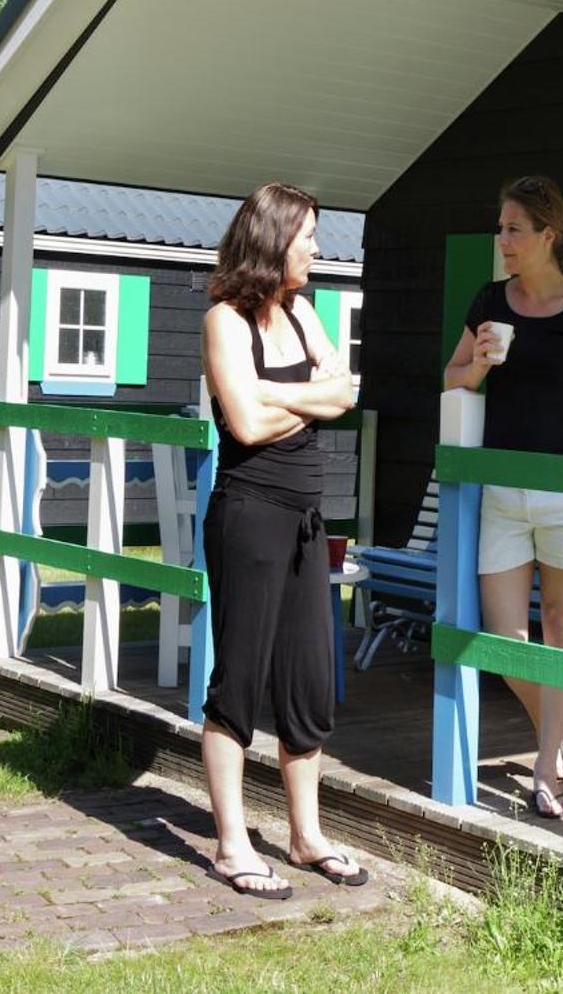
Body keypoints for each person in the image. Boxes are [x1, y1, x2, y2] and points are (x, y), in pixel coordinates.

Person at [199, 181, 366, 898]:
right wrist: (302, 400)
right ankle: (232, 845)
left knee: (307, 677)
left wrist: (274, 394)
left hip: (305, 519)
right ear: (274, 239)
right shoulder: (226, 322)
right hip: (249, 515)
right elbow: (243, 425)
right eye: (308, 238)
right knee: (240, 677)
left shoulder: (301, 311)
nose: (318, 252)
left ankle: (306, 838)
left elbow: (346, 393)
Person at [443, 175, 563, 818]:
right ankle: (558, 729)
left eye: (513, 229)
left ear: (549, 235)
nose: (503, 240)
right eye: (500, 228)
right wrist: (481, 367)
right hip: (502, 489)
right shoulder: (490, 300)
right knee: (503, 635)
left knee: (562, 627)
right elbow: (452, 377)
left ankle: (546, 765)